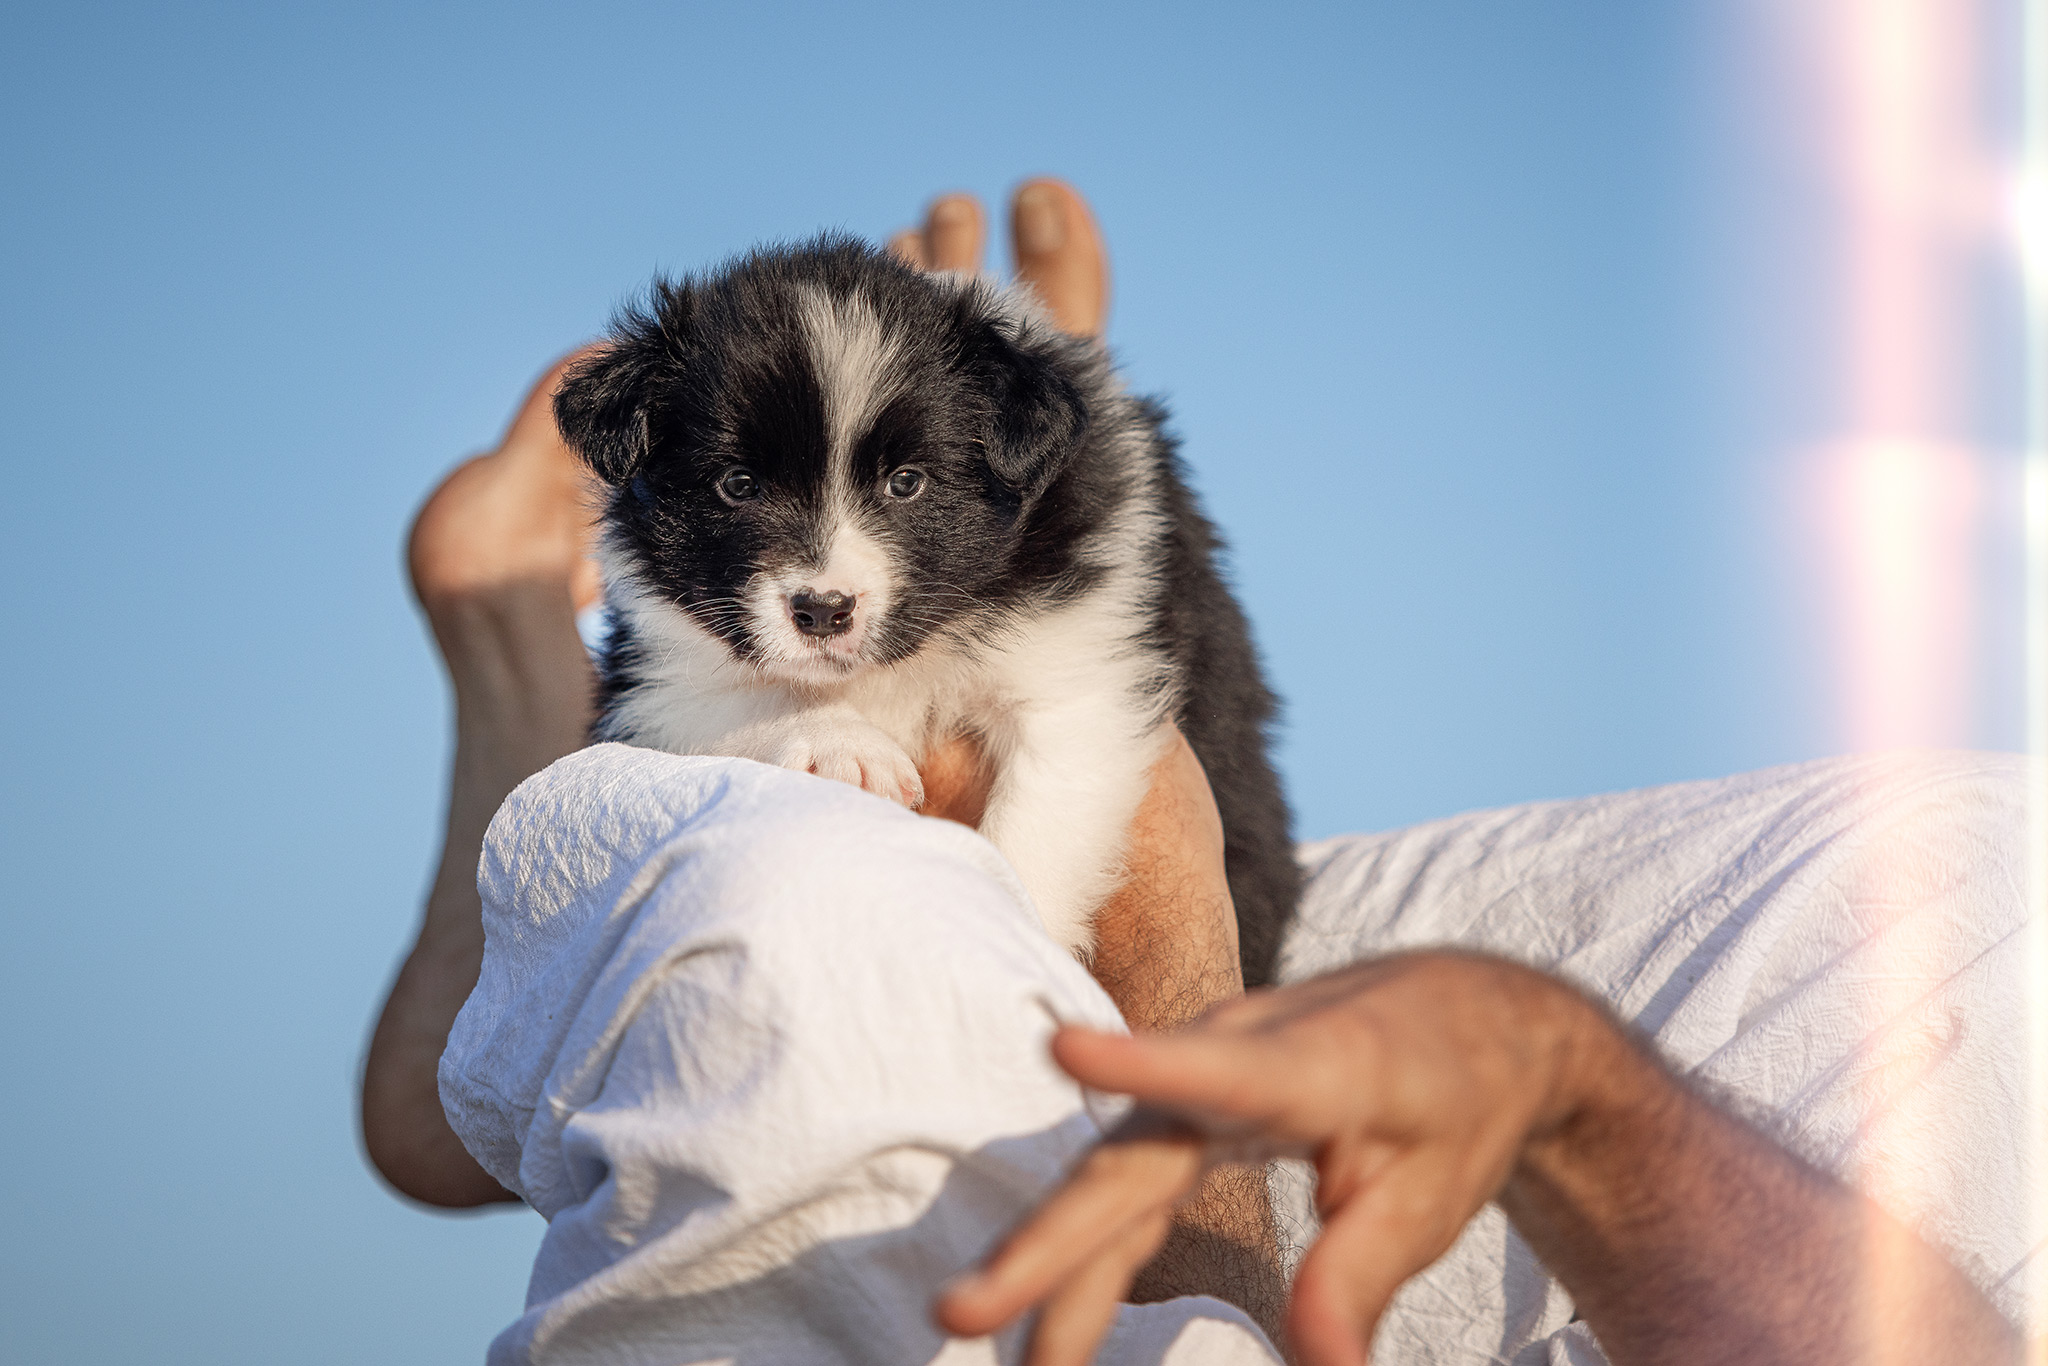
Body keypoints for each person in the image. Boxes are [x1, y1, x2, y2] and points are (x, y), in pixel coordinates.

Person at [363, 182, 2031, 1365]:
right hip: (1493, 991)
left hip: (1153, 971)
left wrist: (1122, 934)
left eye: (896, 479)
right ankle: (1028, 485)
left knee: (721, 925)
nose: (824, 554)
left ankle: (540, 633)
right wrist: (1548, 1066)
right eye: (752, 478)